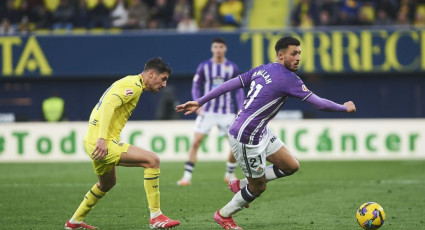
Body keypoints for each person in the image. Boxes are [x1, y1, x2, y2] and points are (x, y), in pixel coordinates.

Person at [176, 37, 356, 229]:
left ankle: (241, 184)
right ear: (281, 55)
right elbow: (318, 103)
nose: (298, 58)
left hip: (260, 131)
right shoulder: (289, 80)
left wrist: (201, 100)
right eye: (293, 53)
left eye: (299, 53)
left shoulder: (263, 69)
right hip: (246, 138)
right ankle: (224, 215)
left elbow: (230, 84)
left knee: (291, 165)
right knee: (259, 186)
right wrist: (344, 108)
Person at [64, 58, 180, 229]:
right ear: (151, 74)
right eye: (163, 79)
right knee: (152, 160)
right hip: (101, 142)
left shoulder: (131, 83)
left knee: (107, 183)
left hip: (93, 139)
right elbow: (108, 106)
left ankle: (74, 222)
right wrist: (102, 139)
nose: (164, 85)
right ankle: (156, 216)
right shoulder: (133, 85)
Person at [177, 37, 245, 186]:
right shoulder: (204, 66)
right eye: (216, 47)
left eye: (221, 47)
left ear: (225, 49)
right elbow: (196, 85)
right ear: (212, 49)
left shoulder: (232, 67)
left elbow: (239, 89)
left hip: (227, 112)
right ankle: (187, 177)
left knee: (235, 143)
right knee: (196, 142)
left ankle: (229, 173)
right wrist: (197, 103)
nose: (218, 49)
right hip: (207, 112)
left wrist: (241, 106)